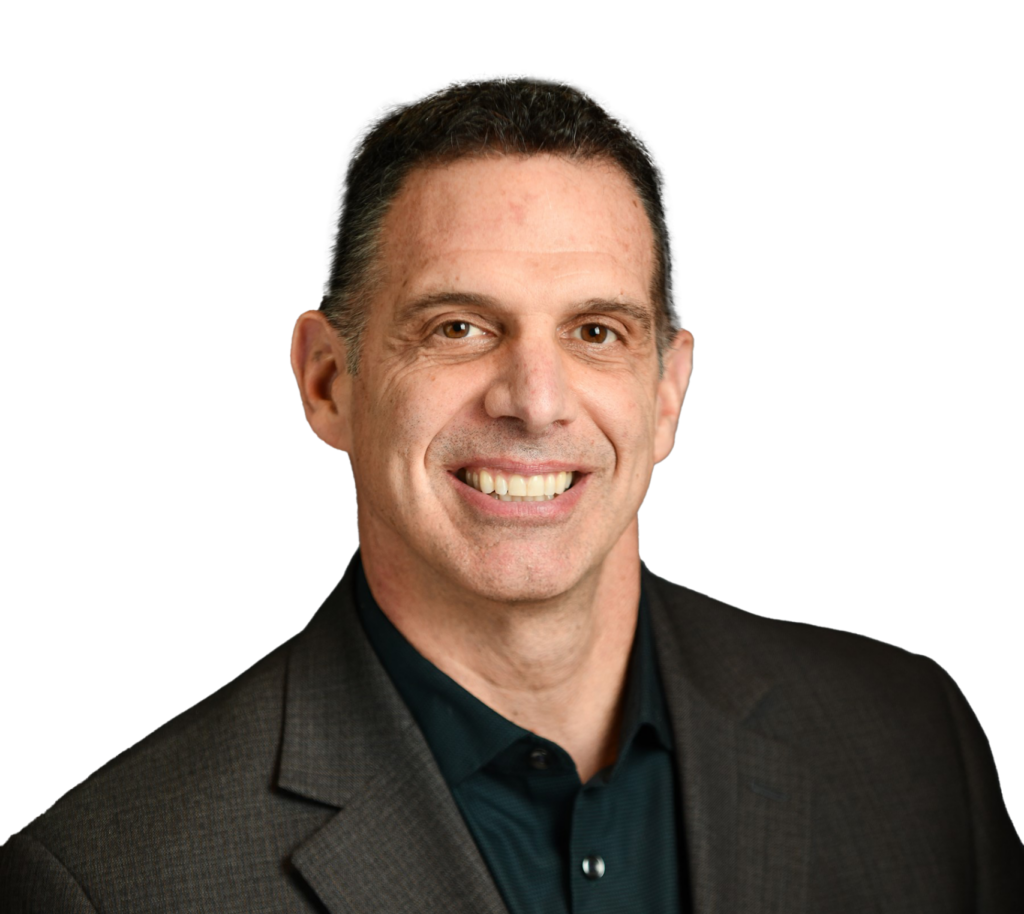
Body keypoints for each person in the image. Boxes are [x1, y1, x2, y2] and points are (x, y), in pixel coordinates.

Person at [2, 75, 1021, 913]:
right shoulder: (111, 880)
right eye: (458, 326)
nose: (534, 402)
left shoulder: (908, 742)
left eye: (596, 332)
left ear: (666, 392)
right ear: (327, 382)